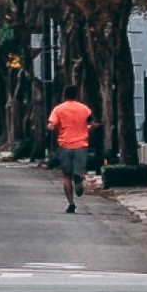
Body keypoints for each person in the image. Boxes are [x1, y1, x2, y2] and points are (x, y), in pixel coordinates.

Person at [46, 85, 94, 213]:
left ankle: (71, 203)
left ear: (64, 95)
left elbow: (51, 126)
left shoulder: (58, 109)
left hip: (65, 145)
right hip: (81, 145)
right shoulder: (84, 109)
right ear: (76, 95)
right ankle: (78, 179)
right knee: (78, 171)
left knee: (66, 176)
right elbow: (92, 123)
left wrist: (54, 129)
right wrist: (86, 130)